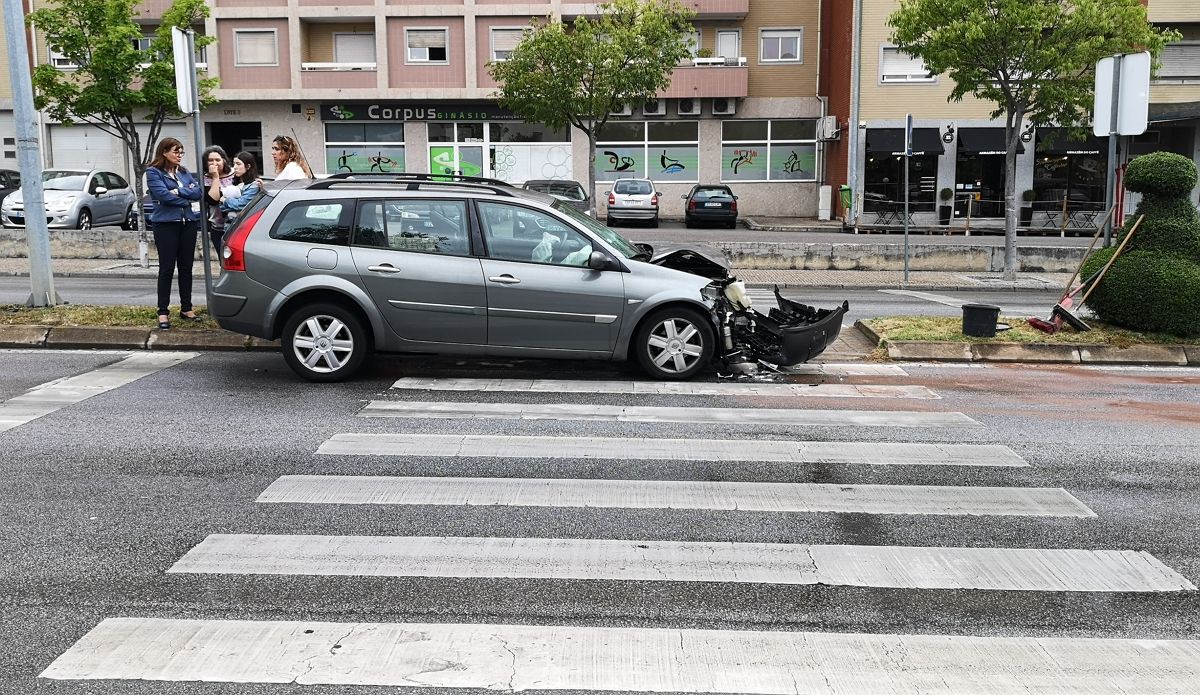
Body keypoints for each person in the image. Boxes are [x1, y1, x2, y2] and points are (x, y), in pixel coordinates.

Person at [145, 137, 202, 330]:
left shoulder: (184, 172)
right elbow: (163, 196)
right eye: (176, 151)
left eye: (181, 152)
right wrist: (184, 196)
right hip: (166, 225)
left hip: (188, 224)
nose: (179, 155)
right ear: (164, 152)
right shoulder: (154, 172)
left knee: (186, 268)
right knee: (167, 268)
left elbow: (198, 193)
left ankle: (187, 308)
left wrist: (178, 191)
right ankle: (163, 312)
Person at [220, 151, 263, 232]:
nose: (235, 167)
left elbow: (240, 205)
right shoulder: (237, 182)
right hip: (229, 225)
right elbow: (222, 207)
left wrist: (225, 200)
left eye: (238, 164)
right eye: (234, 164)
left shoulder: (254, 185)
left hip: (242, 227)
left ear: (248, 166)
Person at [202, 145, 234, 253]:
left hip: (236, 224)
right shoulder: (205, 179)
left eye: (217, 160)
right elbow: (214, 200)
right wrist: (215, 177)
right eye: (210, 160)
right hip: (218, 226)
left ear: (224, 160)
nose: (214, 163)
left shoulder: (234, 174)